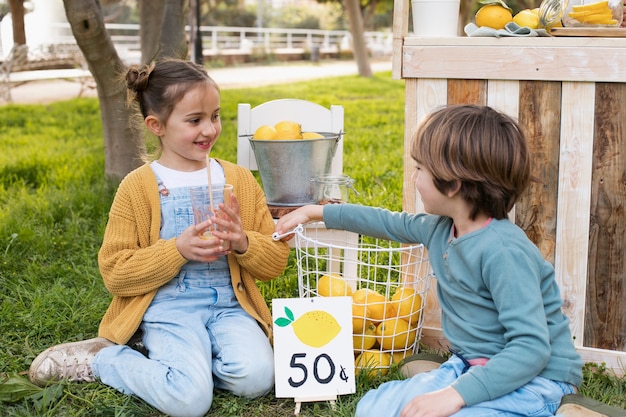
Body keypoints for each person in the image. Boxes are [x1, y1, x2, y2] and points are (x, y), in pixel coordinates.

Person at [274, 104, 584, 417]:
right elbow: (386, 222)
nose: (414, 177)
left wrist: (455, 395)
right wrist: (317, 212)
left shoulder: (504, 252)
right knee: (373, 408)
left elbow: (531, 349)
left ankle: (569, 409)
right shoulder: (440, 228)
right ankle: (453, 379)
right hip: (472, 365)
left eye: (420, 168)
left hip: (536, 378)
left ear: (453, 184)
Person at [29, 59, 290, 417]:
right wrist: (177, 250)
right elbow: (116, 273)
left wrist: (244, 242)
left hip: (230, 307)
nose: (210, 129)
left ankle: (180, 362)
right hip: (170, 309)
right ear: (157, 126)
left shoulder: (239, 180)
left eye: (215, 115)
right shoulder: (138, 188)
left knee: (257, 379)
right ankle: (104, 359)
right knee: (190, 402)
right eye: (194, 120)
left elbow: (275, 261)